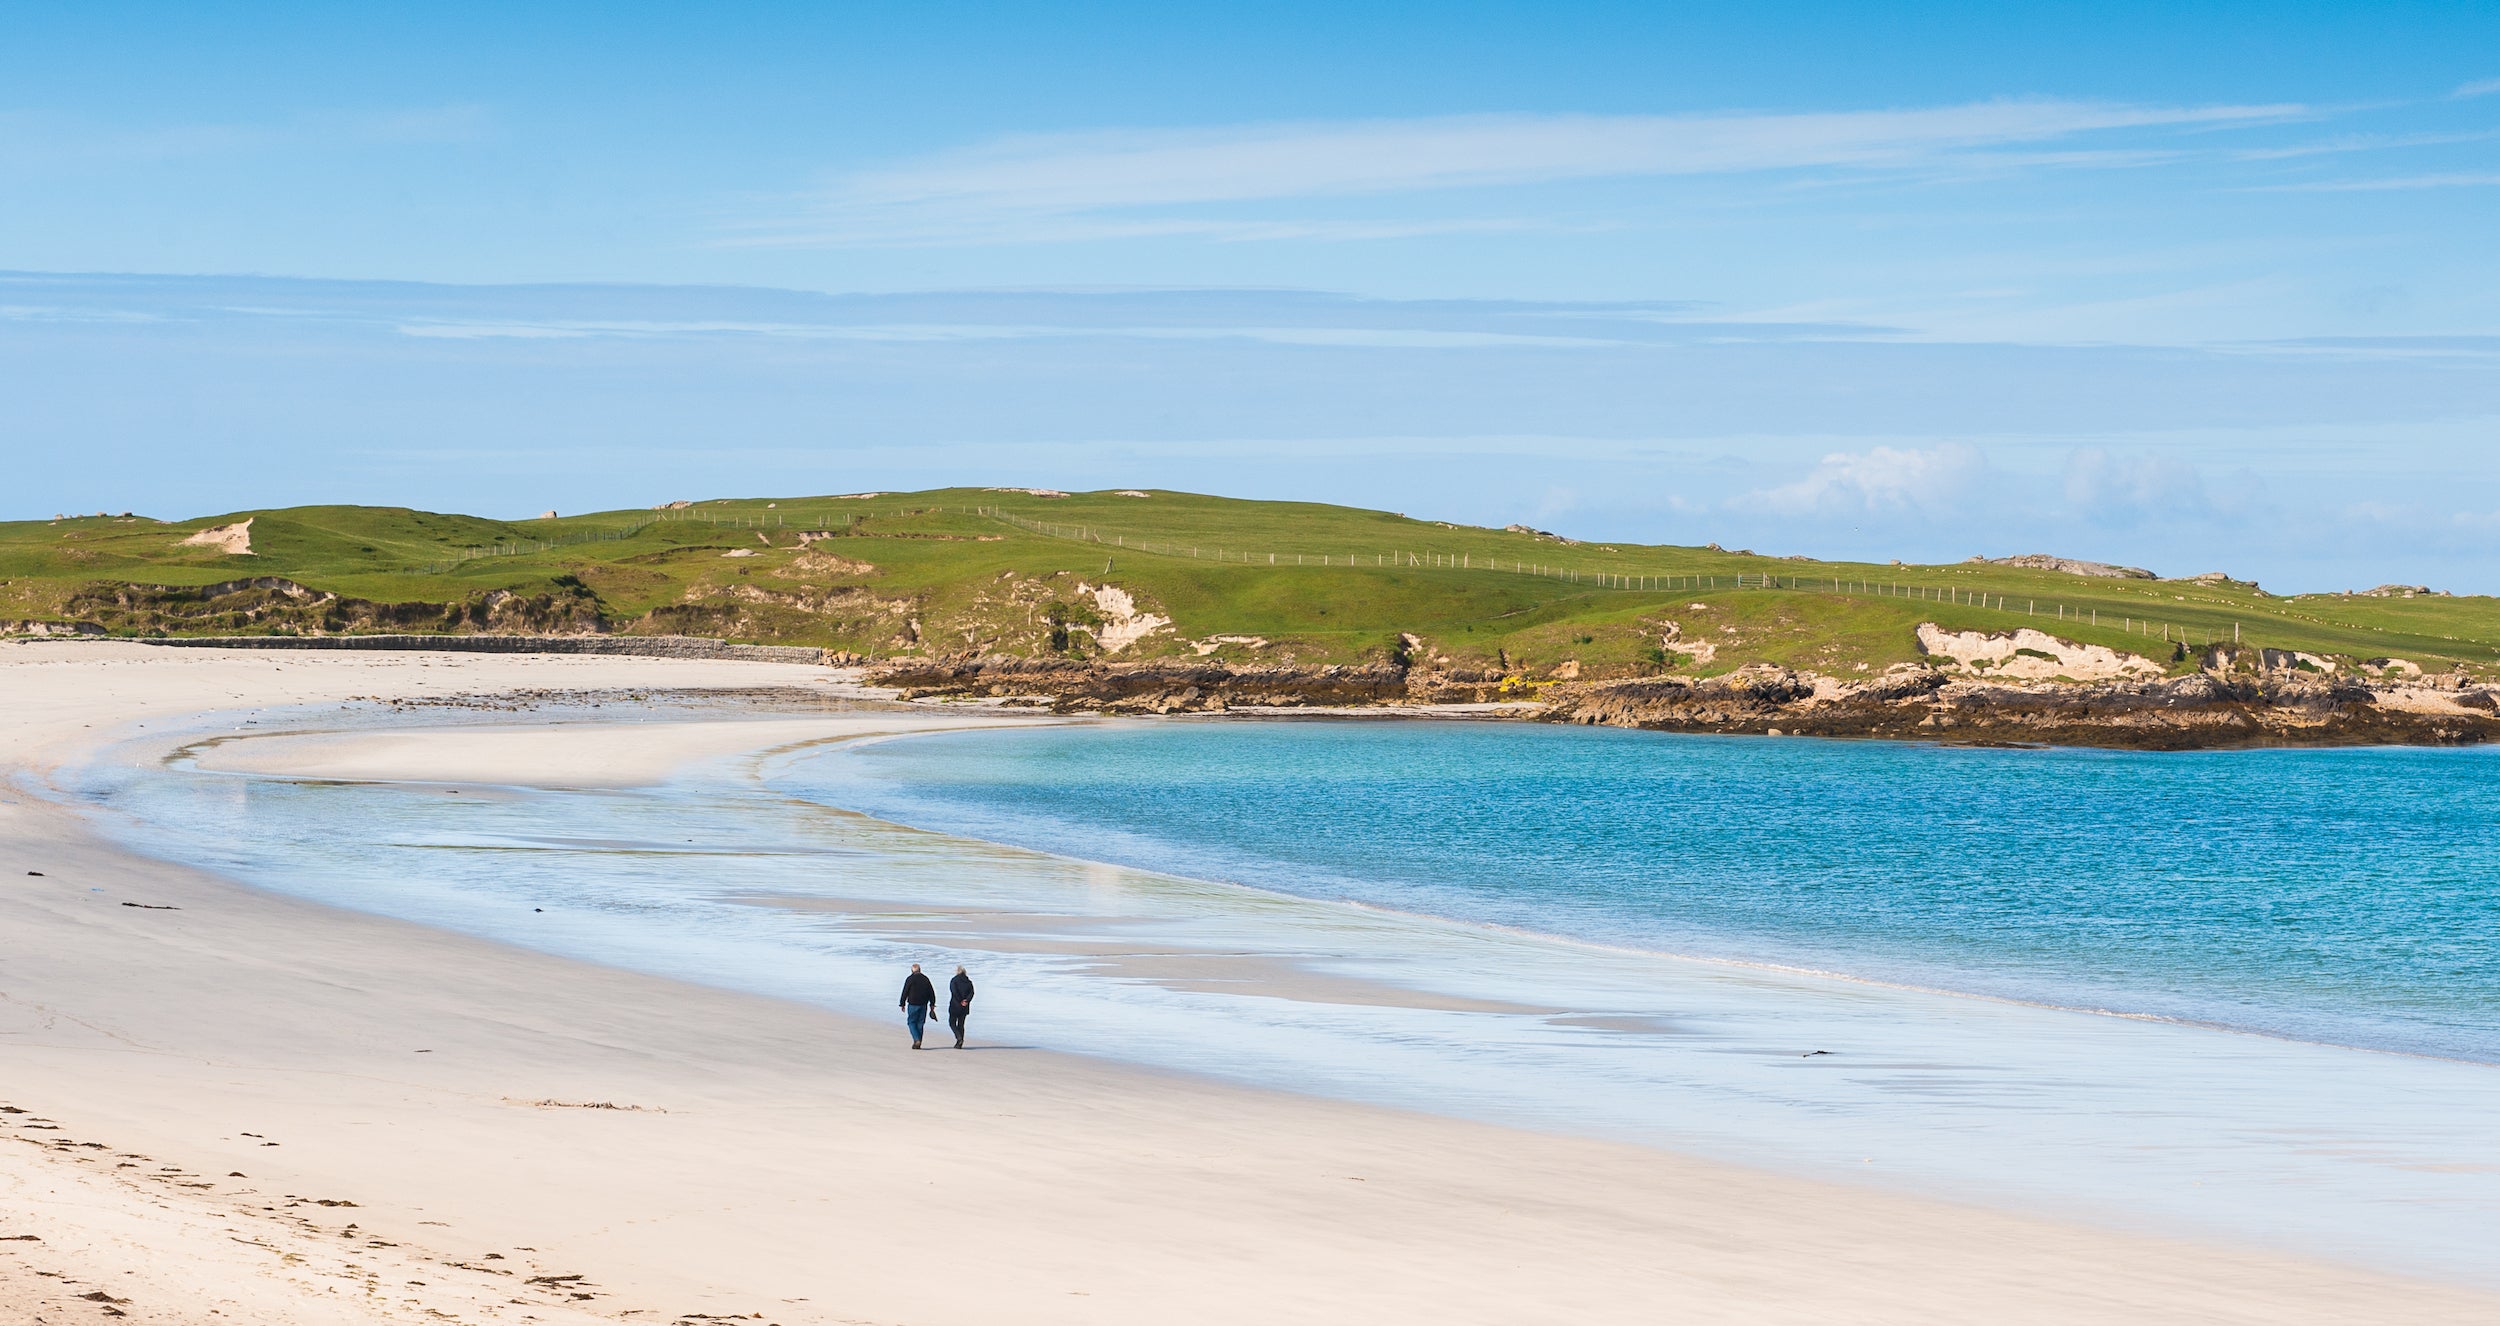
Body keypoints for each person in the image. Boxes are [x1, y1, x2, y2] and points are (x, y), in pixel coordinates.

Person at [898, 963, 937, 1049]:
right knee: (920, 1023)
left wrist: (902, 1003)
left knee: (911, 1022)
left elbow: (905, 991)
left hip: (913, 1004)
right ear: (920, 970)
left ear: (912, 971)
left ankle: (916, 1039)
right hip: (923, 1004)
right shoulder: (925, 979)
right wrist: (932, 1003)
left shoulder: (910, 979)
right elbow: (931, 992)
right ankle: (918, 1042)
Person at [947, 965, 975, 1048]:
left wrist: (960, 1001)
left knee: (952, 1023)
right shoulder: (969, 982)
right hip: (965, 1006)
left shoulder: (954, 980)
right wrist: (966, 1000)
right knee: (961, 1024)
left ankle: (959, 1038)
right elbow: (972, 993)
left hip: (955, 1005)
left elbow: (954, 992)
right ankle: (960, 1042)